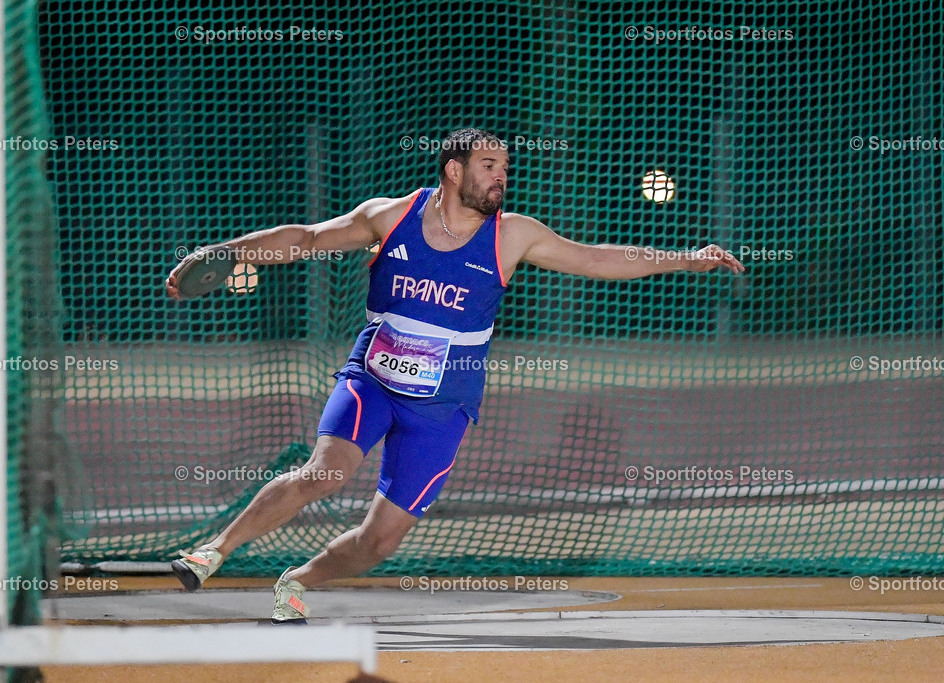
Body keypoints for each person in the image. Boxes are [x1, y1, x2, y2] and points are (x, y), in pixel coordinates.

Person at [165, 127, 745, 623]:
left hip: (444, 405)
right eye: (489, 165)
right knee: (326, 473)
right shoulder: (392, 215)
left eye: (505, 168)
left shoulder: (514, 234)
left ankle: (297, 582)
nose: (501, 177)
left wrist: (687, 258)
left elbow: (595, 258)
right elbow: (310, 239)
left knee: (379, 542)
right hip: (372, 382)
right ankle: (212, 553)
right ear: (454, 169)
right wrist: (230, 252)